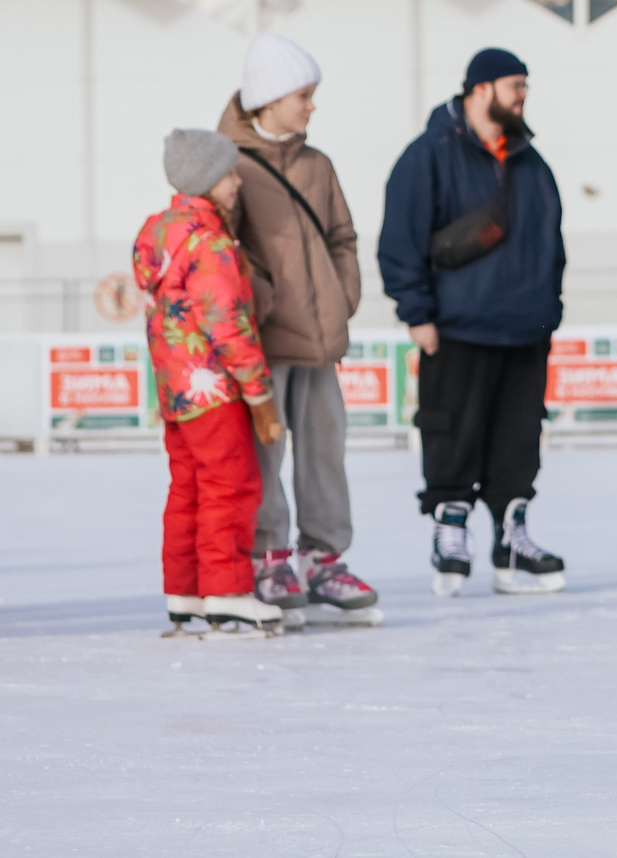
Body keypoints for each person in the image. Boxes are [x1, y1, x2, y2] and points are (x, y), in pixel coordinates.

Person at [379, 48, 570, 597]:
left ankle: (512, 541)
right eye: (516, 85)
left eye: (525, 86)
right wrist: (416, 312)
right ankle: (450, 535)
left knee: (518, 441)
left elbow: (551, 245)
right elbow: (399, 242)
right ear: (480, 89)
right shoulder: (429, 155)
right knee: (452, 435)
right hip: (456, 328)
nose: (523, 95)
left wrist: (547, 310)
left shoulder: (532, 163)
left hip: (525, 332)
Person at [217, 33, 377, 623]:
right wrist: (264, 302)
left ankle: (325, 559)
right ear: (269, 97)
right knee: (265, 457)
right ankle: (270, 557)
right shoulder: (228, 165)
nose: (312, 106)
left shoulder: (317, 165)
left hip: (321, 342)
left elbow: (343, 239)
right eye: (304, 95)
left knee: (325, 454)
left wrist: (343, 299)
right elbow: (223, 250)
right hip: (265, 344)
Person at [140, 129, 286, 636]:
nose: (237, 182)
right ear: (203, 182)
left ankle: (185, 591)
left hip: (176, 393)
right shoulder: (210, 243)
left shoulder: (162, 236)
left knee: (188, 489)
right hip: (214, 387)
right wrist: (261, 396)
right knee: (230, 485)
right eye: (227, 174)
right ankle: (226, 592)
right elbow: (228, 324)